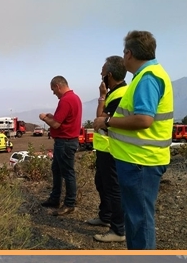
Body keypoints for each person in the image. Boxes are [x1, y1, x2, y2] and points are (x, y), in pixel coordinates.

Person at [93, 30, 173, 250]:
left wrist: (107, 122)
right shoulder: (146, 76)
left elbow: (144, 120)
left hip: (141, 162)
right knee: (136, 218)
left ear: (128, 53)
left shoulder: (148, 78)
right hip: (137, 160)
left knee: (140, 221)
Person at [89, 56, 127, 243]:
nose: (100, 76)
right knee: (101, 183)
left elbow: (99, 120)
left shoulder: (119, 94)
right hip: (106, 148)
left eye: (102, 73)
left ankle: (118, 229)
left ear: (109, 75)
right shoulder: (116, 92)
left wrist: (102, 97)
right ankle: (105, 217)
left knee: (113, 188)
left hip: (114, 149)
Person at [38, 76, 82, 216]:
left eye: (53, 90)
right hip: (66, 141)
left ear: (58, 86)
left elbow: (56, 124)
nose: (53, 93)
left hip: (65, 142)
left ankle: (69, 203)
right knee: (56, 169)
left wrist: (44, 117)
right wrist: (53, 116)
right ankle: (55, 198)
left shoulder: (66, 100)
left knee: (67, 173)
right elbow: (62, 120)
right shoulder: (74, 98)